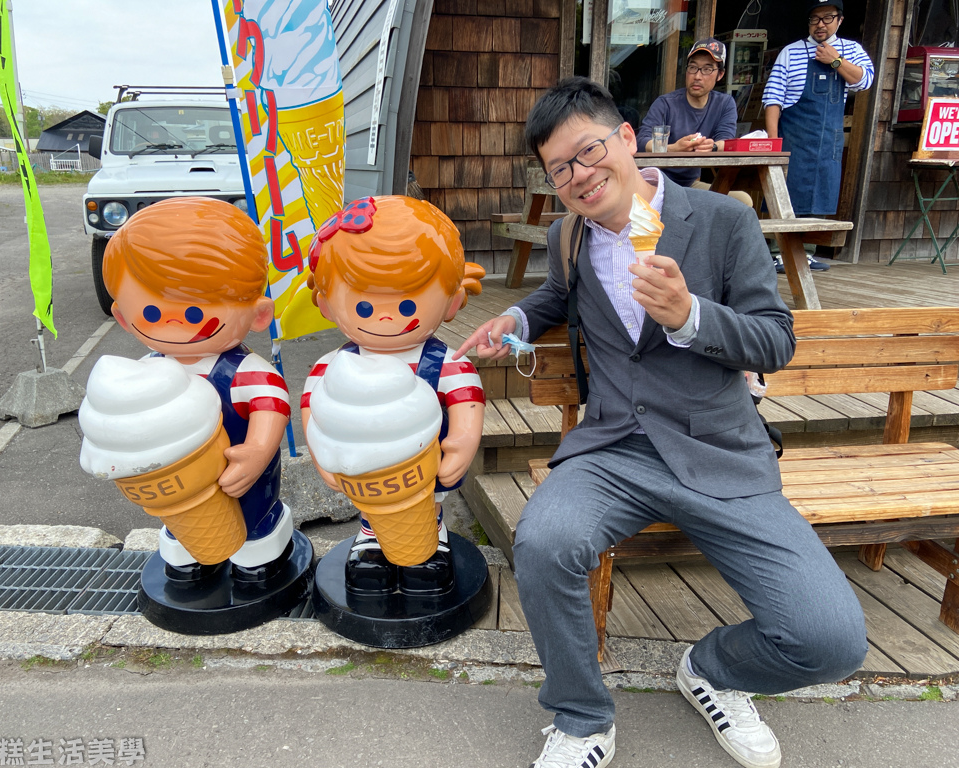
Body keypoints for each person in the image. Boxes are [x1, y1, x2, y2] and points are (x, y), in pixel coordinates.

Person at [454, 77, 867, 768]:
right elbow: (557, 295)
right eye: (561, 169)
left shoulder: (722, 220)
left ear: (625, 139)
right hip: (615, 447)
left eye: (588, 152)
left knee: (831, 640)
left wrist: (690, 316)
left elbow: (776, 340)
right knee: (545, 541)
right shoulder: (569, 236)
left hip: (720, 453)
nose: (580, 176)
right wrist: (516, 319)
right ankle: (583, 719)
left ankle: (713, 670)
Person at [103, 196, 294, 582]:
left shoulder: (244, 371)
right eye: (152, 314)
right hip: (174, 480)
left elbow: (272, 407)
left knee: (251, 513)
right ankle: (185, 550)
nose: (174, 325)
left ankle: (260, 550)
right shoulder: (145, 371)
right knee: (182, 519)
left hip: (241, 472)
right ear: (123, 318)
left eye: (194, 313)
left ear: (259, 315)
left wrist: (257, 451)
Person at [302, 195, 486, 593]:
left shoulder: (448, 363)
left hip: (427, 466)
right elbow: (313, 409)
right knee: (373, 508)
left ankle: (431, 541)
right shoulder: (332, 366)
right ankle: (370, 539)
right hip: (360, 468)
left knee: (425, 503)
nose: (386, 317)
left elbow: (468, 402)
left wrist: (461, 443)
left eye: (406, 304)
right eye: (365, 307)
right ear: (326, 305)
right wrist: (321, 454)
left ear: (452, 301)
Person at [763, 1, 874, 219]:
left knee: (820, 205)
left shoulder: (852, 50)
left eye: (827, 18)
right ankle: (778, 252)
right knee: (784, 203)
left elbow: (865, 81)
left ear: (840, 20)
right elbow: (772, 99)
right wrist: (772, 144)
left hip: (827, 146)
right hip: (793, 143)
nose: (820, 24)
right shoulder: (790, 52)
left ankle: (809, 252)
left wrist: (835, 61)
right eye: (815, 19)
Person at [637, 38, 754, 208]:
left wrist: (711, 146)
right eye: (693, 67)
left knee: (743, 202)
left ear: (720, 75)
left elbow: (726, 141)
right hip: (656, 184)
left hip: (690, 185)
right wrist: (672, 149)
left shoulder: (724, 104)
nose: (697, 76)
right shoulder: (666, 103)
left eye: (707, 69)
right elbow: (641, 140)